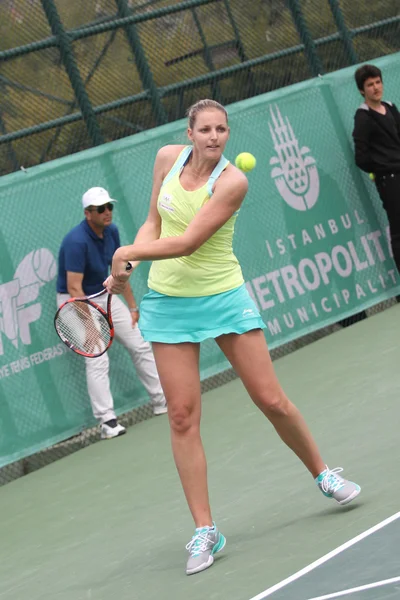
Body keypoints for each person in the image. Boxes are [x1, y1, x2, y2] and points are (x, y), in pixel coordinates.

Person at [104, 99, 361, 575]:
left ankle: (323, 474)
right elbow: (155, 224)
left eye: (222, 129)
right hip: (167, 304)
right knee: (181, 416)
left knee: (270, 399)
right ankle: (206, 529)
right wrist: (132, 265)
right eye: (205, 129)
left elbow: (187, 243)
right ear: (189, 132)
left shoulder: (233, 182)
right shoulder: (166, 159)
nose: (215, 137)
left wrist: (125, 251)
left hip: (223, 297)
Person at [56, 186, 167, 440]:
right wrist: (90, 323)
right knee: (97, 357)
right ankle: (107, 422)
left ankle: (162, 401)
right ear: (88, 214)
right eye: (100, 209)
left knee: (139, 344)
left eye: (109, 207)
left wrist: (132, 306)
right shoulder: (76, 242)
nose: (107, 212)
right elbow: (74, 286)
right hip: (75, 300)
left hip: (105, 291)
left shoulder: (112, 232)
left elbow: (119, 271)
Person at [353, 64, 400, 273]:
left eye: (378, 82)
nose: (375, 88)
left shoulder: (390, 108)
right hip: (389, 181)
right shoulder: (363, 117)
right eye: (370, 85)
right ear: (362, 90)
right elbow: (361, 157)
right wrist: (381, 168)